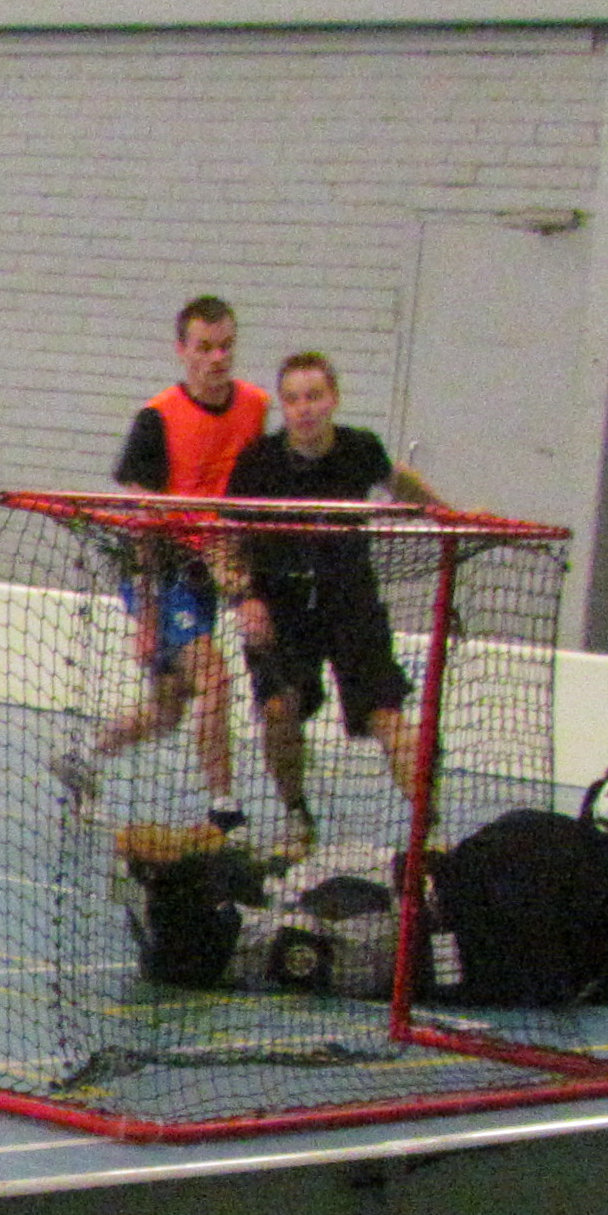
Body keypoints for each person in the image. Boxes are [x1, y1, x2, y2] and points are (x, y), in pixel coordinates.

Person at [63, 293, 276, 820]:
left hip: (212, 572)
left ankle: (83, 757)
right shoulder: (156, 419)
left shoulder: (255, 407)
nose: (217, 358)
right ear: (182, 350)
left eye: (226, 346)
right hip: (162, 571)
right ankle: (224, 808)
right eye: (204, 347)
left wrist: (244, 582)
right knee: (215, 679)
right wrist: (149, 618)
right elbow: (141, 527)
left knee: (166, 711)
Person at [224, 348, 445, 852]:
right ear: (283, 406)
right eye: (293, 399)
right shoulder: (257, 463)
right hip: (281, 609)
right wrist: (243, 598)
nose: (304, 408)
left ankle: (427, 833)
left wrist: (447, 513)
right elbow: (224, 539)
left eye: (314, 396)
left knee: (388, 716)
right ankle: (297, 817)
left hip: (350, 603)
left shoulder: (360, 448)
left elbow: (398, 479)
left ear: (334, 399)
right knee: (279, 709)